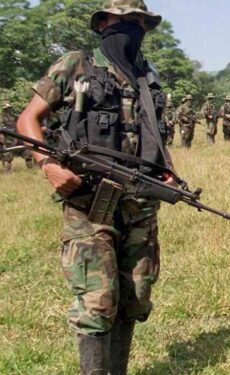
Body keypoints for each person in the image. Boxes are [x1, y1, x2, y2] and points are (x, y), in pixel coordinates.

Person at [15, 1, 176, 373]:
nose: (134, 29)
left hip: (140, 205)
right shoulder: (77, 65)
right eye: (125, 21)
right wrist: (48, 164)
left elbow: (155, 136)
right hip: (90, 203)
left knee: (135, 298)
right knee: (97, 303)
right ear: (103, 23)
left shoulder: (147, 76)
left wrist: (167, 171)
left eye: (140, 22)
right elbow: (28, 119)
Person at [1, 101, 17, 172]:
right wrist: (2, 141)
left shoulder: (12, 116)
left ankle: (8, 169)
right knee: (7, 153)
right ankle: (7, 171)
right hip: (5, 138)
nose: (9, 109)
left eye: (9, 107)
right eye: (7, 108)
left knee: (10, 154)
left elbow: (15, 127)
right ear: (4, 109)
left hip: (12, 137)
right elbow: (1, 130)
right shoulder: (1, 117)